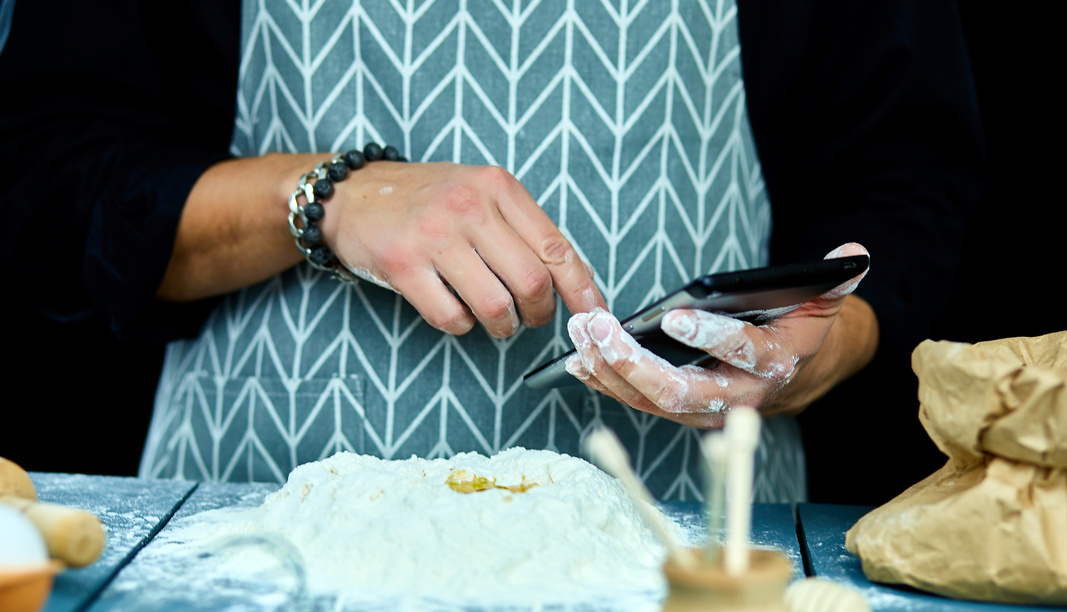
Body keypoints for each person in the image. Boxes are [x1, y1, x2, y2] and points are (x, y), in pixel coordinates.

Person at [0, 0, 983, 502]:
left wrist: (835, 334)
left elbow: (904, 171)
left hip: (687, 540)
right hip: (258, 529)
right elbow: (45, 182)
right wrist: (329, 197)